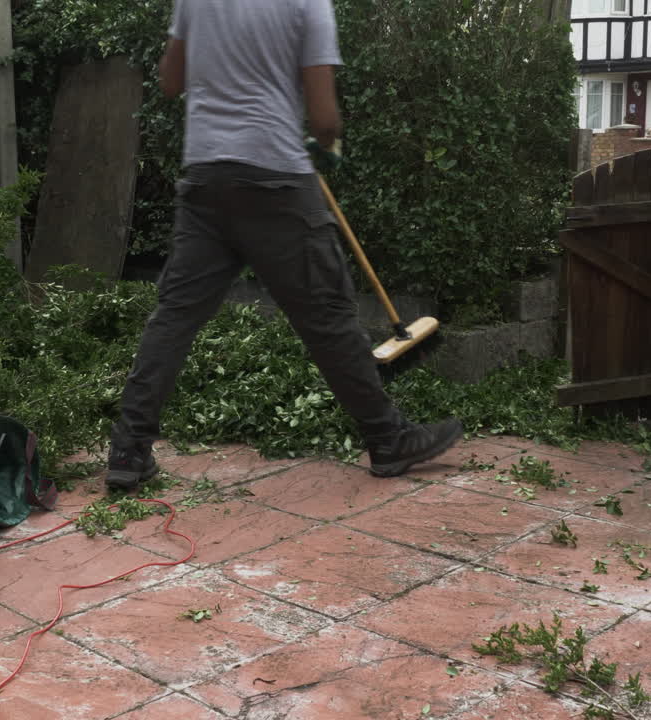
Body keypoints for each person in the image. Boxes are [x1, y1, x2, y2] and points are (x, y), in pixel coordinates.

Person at [106, 0, 463, 491]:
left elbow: (170, 81)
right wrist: (327, 145)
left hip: (207, 179)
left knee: (175, 315)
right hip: (275, 180)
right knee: (328, 315)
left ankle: (128, 450)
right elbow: (323, 114)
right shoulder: (307, 3)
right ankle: (388, 439)